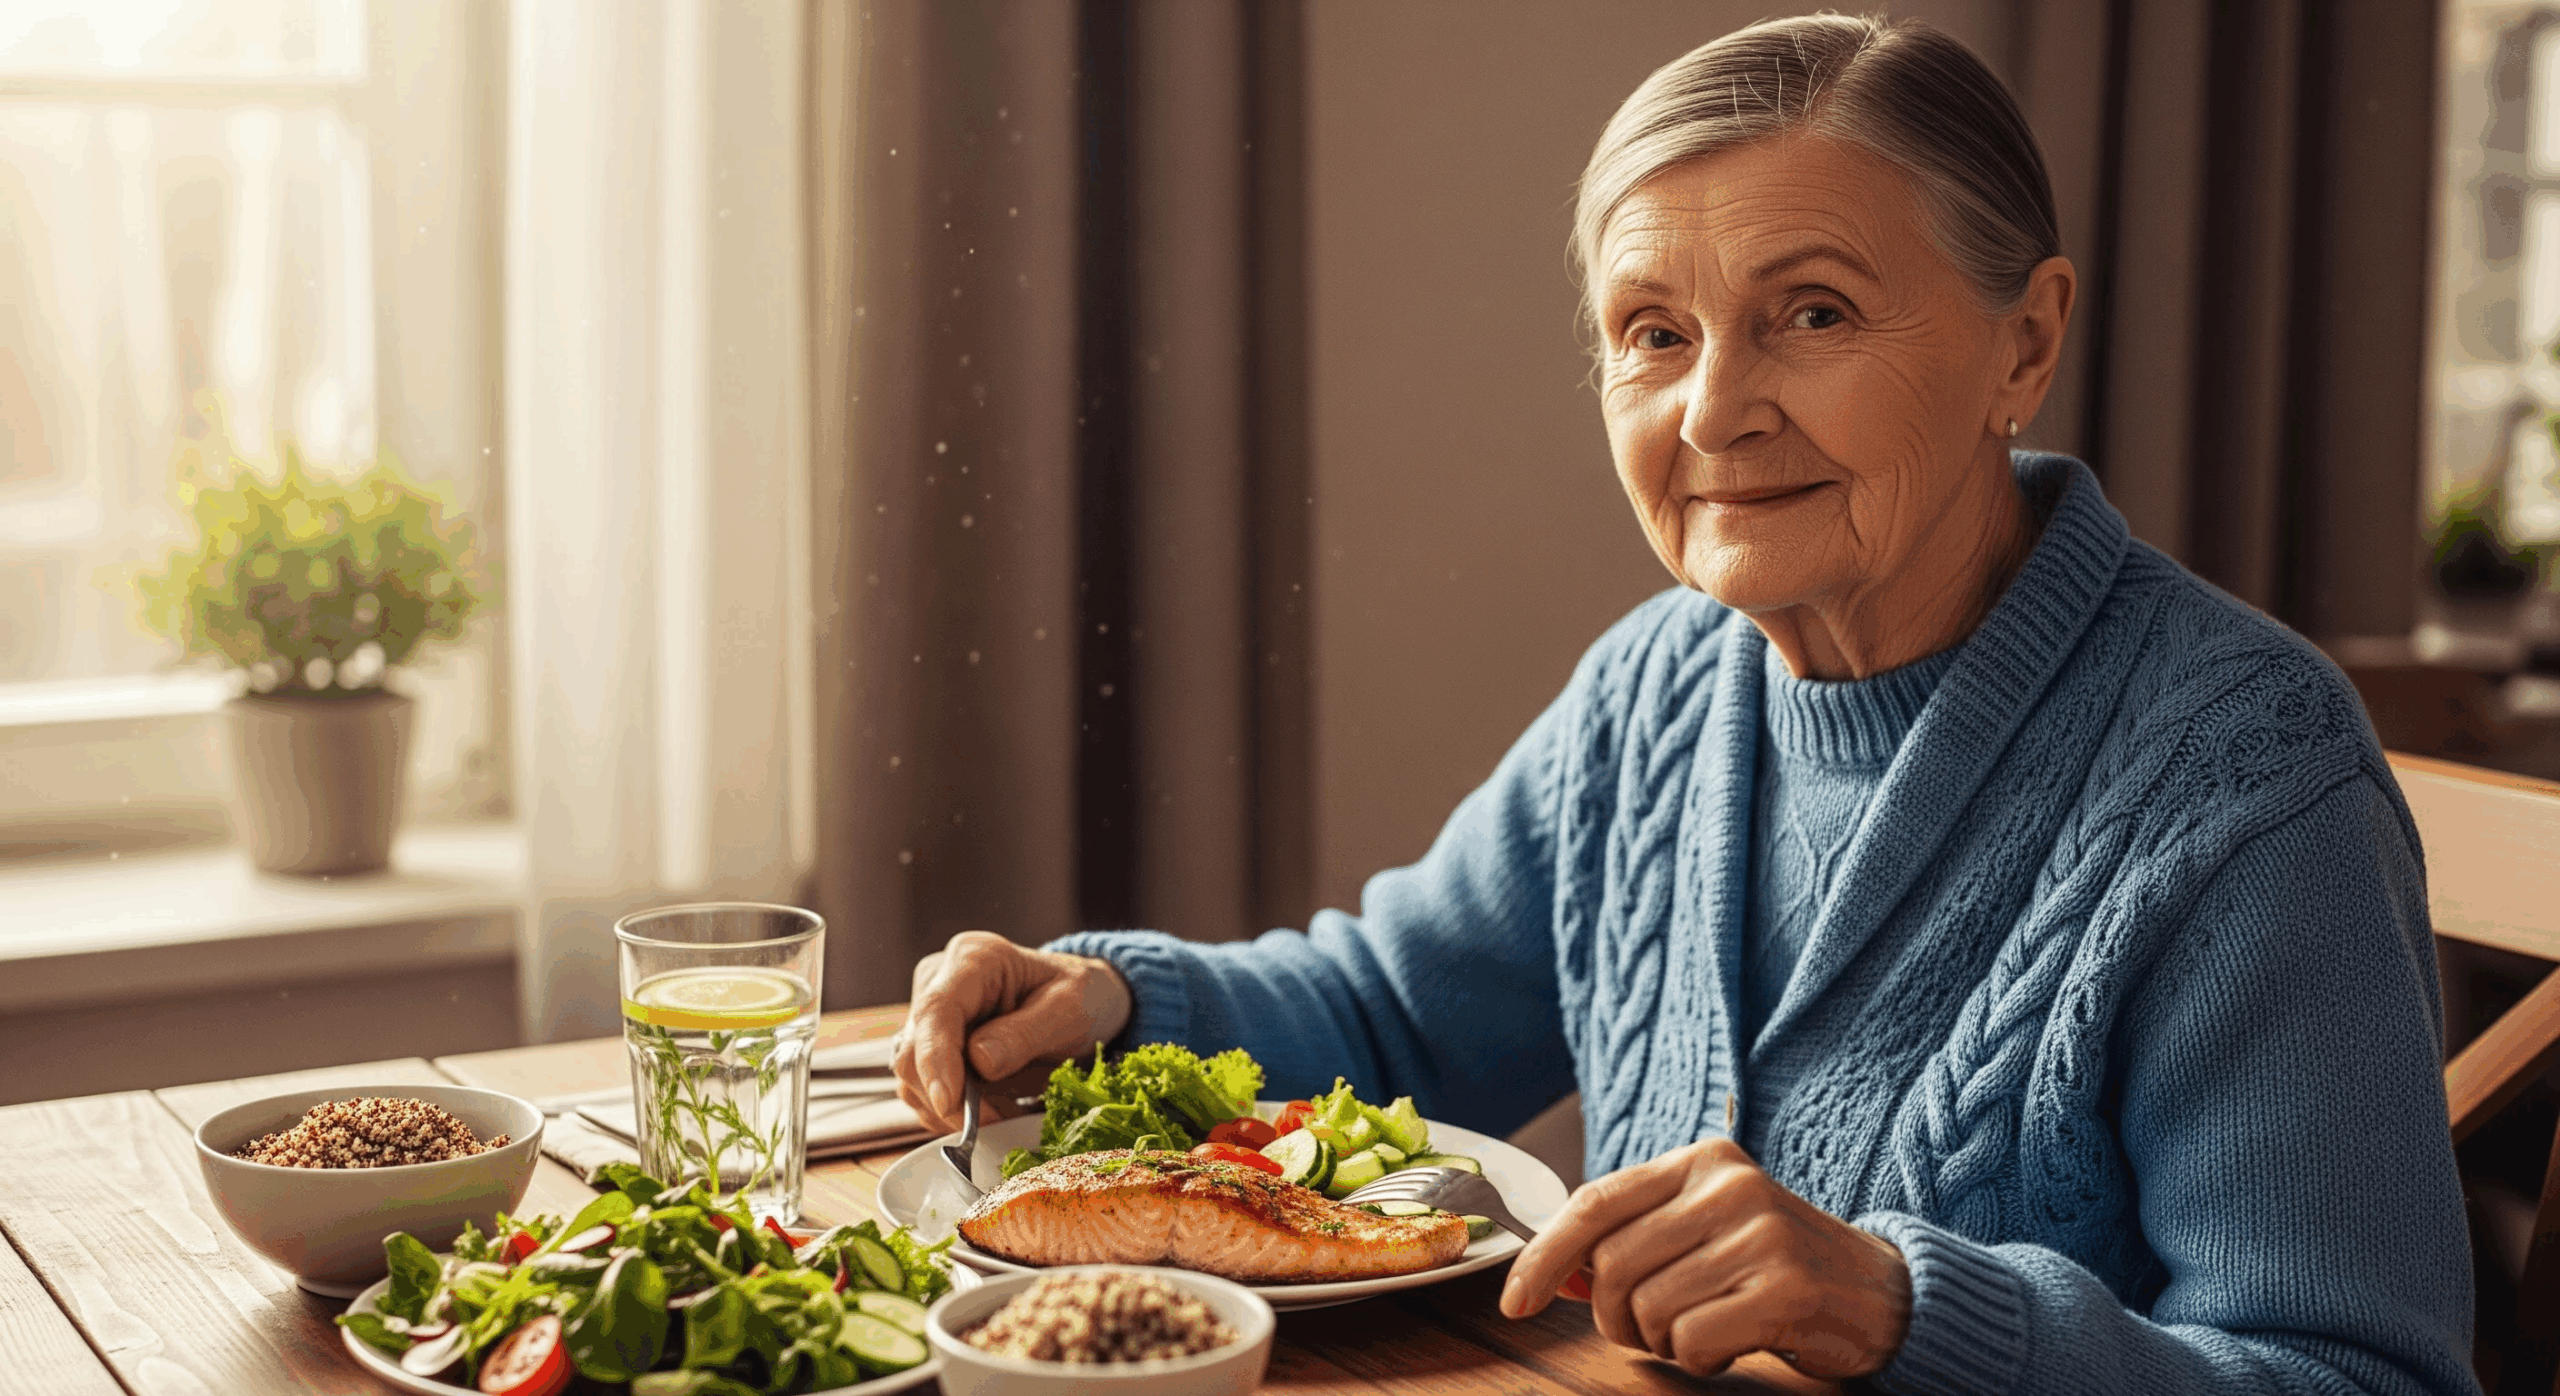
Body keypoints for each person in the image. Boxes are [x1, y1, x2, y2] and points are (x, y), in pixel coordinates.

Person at [891, 14, 2479, 1394]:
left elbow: (2357, 1374)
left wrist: (1906, 1310)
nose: (1715, 410)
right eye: (1654, 334)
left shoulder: (2247, 778)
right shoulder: (1661, 684)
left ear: (2027, 341)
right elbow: (1394, 1021)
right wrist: (1113, 1006)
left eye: (1815, 313)